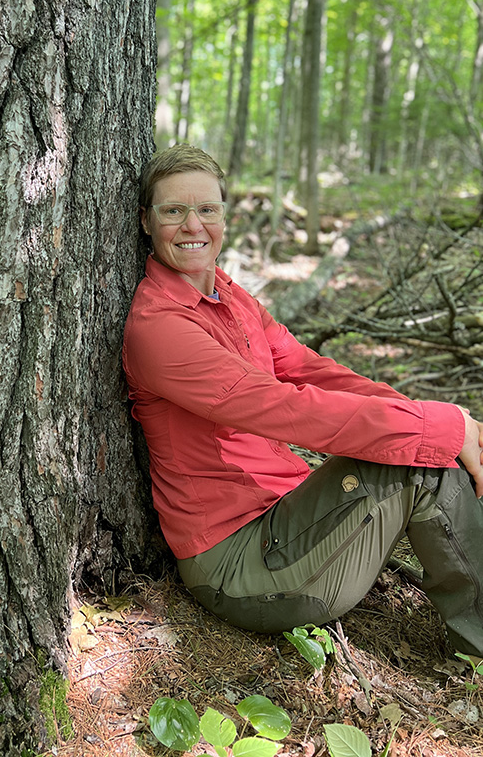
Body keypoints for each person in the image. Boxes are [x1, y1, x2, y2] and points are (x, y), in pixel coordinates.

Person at [122, 144, 483, 658]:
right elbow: (285, 408)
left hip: (286, 519)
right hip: (240, 568)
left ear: (225, 214)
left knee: (430, 443)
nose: (192, 224)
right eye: (173, 211)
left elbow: (313, 371)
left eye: (207, 209)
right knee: (424, 458)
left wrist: (430, 418)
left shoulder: (230, 295)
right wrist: (438, 427)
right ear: (146, 221)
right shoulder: (159, 327)